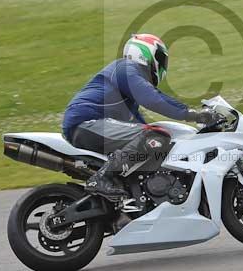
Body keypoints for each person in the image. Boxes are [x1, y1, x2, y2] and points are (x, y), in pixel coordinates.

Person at [62, 33, 217, 200]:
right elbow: (153, 99)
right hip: (86, 123)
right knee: (156, 135)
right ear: (145, 53)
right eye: (160, 58)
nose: (162, 64)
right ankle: (103, 178)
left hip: (90, 125)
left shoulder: (127, 90)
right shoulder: (126, 68)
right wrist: (193, 115)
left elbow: (141, 128)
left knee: (154, 138)